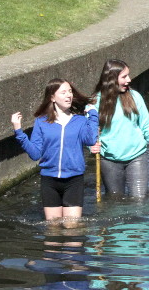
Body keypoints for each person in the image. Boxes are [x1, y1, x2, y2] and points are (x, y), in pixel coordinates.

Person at [11, 79, 99, 220]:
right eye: (63, 92)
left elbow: (90, 139)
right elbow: (35, 154)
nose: (68, 95)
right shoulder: (41, 122)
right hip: (49, 180)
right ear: (52, 97)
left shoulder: (80, 121)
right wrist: (19, 132)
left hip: (74, 179)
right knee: (53, 230)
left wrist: (93, 116)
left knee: (72, 229)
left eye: (70, 92)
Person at [90, 59, 149, 198]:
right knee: (115, 200)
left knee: (139, 199)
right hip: (109, 159)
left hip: (137, 156)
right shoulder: (95, 102)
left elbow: (146, 126)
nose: (129, 80)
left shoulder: (135, 97)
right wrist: (91, 146)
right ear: (111, 79)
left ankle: (138, 221)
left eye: (128, 75)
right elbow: (89, 133)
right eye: (124, 77)